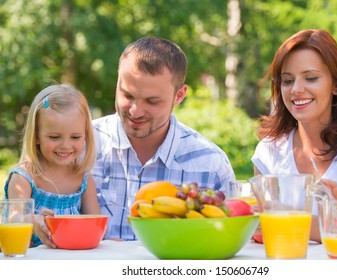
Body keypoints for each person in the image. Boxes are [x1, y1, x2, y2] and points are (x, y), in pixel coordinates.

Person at [251, 29, 337, 241]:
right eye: (287, 81)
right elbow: (258, 229)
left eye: (311, 78)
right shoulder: (269, 151)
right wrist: (334, 222)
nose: (296, 89)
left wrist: (281, 219)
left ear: (336, 84)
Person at [92, 37, 236, 240]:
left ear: (179, 95)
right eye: (127, 95)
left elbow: (228, 242)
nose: (135, 111)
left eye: (152, 101)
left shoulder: (211, 165)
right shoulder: (79, 145)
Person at [4, 84, 100, 248]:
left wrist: (109, 242)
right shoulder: (24, 177)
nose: (65, 145)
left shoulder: (83, 179)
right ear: (36, 136)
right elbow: (13, 217)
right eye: (55, 137)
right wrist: (33, 222)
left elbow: (96, 224)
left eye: (75, 137)